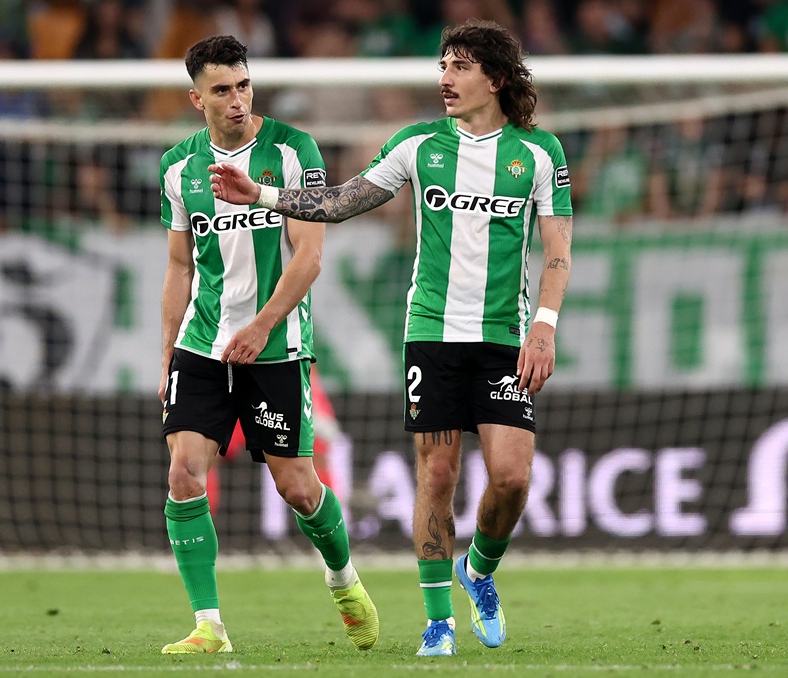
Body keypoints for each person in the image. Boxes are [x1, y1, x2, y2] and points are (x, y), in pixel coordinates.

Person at [209, 19, 573, 656]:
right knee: (436, 474)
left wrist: (543, 329)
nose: (445, 79)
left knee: (512, 478)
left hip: (503, 338)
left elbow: (559, 255)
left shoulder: (539, 154)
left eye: (459, 67)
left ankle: (479, 571)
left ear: (496, 79)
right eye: (443, 66)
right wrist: (260, 191)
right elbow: (343, 201)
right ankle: (438, 621)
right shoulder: (417, 144)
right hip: (430, 333)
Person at [156, 35, 379, 655]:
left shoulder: (290, 149)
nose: (236, 99)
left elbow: (308, 257)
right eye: (222, 89)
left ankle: (342, 579)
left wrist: (261, 326)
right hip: (203, 344)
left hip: (276, 347)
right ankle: (210, 626)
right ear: (196, 97)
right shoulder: (178, 166)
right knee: (183, 472)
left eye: (243, 86)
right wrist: (167, 350)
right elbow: (178, 266)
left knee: (299, 488)